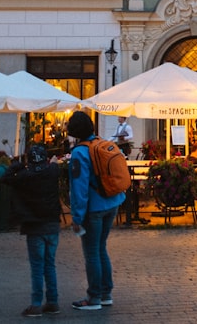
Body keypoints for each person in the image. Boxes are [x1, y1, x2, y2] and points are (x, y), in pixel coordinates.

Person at [66, 111, 126, 311]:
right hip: (112, 202)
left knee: (92, 252)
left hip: (94, 208)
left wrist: (77, 217)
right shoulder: (100, 143)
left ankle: (94, 298)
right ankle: (106, 294)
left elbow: (79, 188)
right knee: (101, 248)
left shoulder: (79, 152)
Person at [4, 144, 62, 317]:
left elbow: (6, 178)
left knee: (37, 266)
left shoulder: (24, 176)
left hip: (34, 226)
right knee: (49, 265)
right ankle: (52, 302)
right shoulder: (52, 172)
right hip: (52, 225)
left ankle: (36, 304)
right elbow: (55, 165)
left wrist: (16, 165)